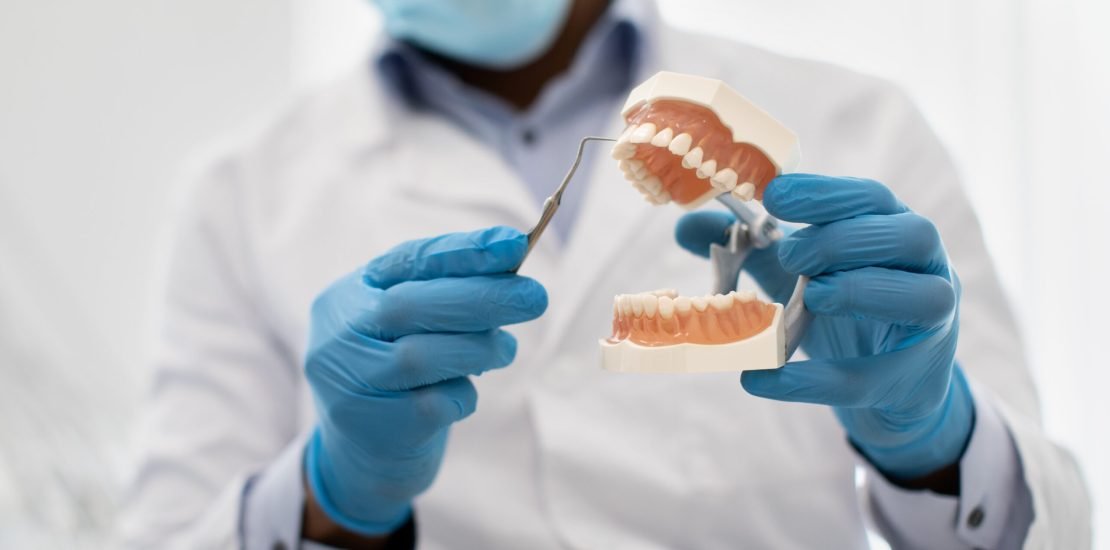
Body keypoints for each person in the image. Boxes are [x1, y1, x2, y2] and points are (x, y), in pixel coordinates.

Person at [118, 0, 1091, 548]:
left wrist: (934, 437)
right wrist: (331, 493)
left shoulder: (859, 127)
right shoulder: (241, 194)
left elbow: (1054, 527)